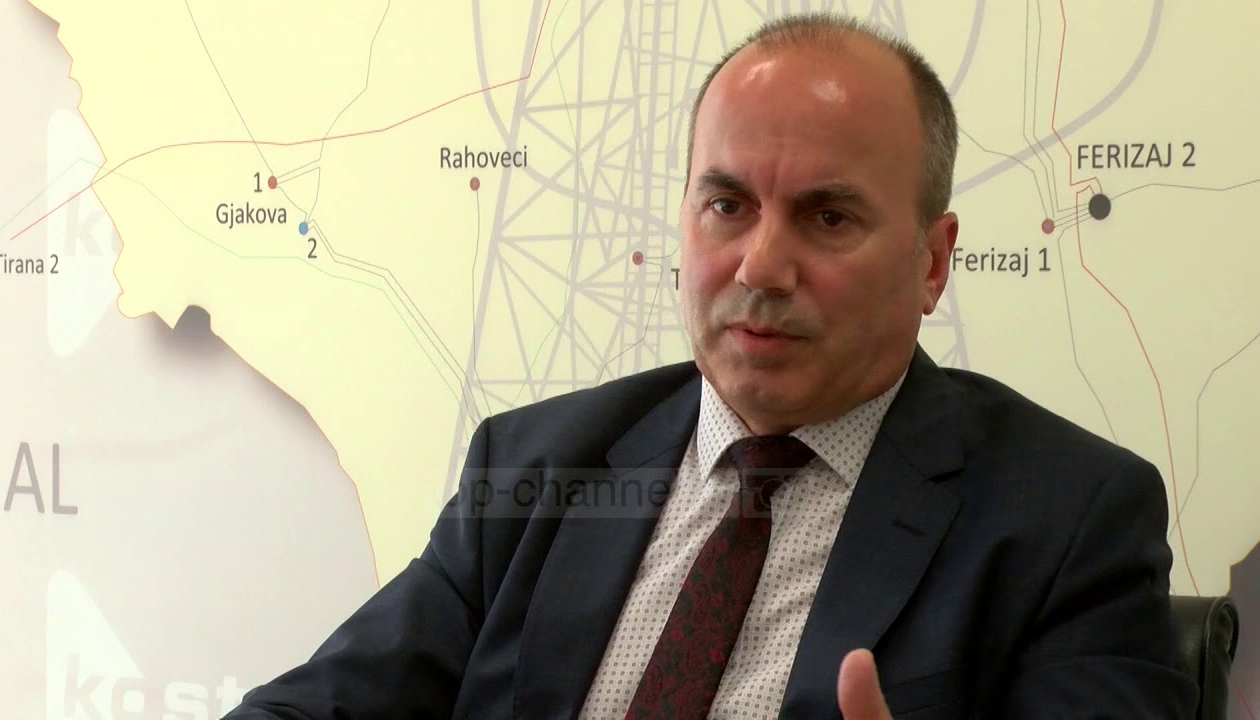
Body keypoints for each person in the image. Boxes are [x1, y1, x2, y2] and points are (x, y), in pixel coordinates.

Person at [224, 12, 1198, 719]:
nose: (760, 266)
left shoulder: (1065, 521)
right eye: (727, 206)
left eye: (828, 217)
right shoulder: (532, 468)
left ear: (932, 262)